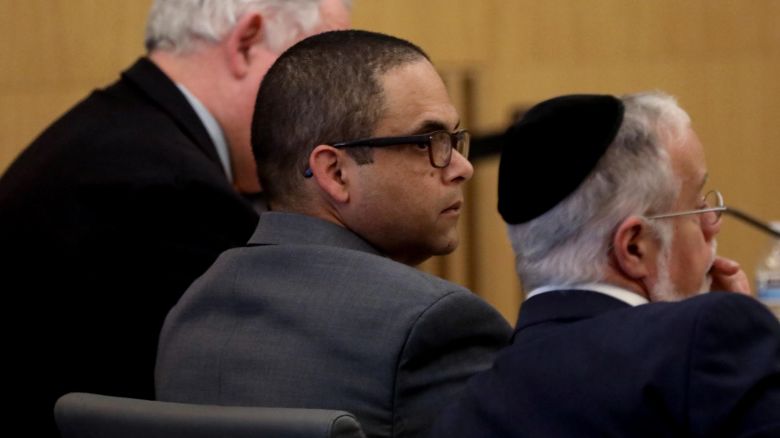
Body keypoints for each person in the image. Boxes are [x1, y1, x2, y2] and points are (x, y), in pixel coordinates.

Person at [0, 1, 350, 435]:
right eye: (320, 68)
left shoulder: (118, 130)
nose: (334, 108)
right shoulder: (172, 190)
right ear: (246, 42)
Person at [155, 30, 512, 438]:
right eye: (428, 141)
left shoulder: (192, 307)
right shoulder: (435, 324)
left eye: (454, 139)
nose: (462, 167)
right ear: (335, 173)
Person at [431, 92, 780, 437]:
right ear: (634, 247)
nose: (713, 223)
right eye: (697, 207)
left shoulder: (466, 409)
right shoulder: (710, 337)